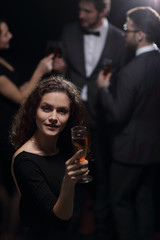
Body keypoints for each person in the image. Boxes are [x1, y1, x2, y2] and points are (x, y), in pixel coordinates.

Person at [52, 0, 132, 238]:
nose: (81, 15)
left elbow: (123, 82)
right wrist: (59, 68)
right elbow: (62, 72)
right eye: (79, 9)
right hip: (75, 117)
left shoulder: (120, 39)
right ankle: (69, 229)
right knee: (72, 175)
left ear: (103, 11)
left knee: (104, 178)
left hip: (106, 119)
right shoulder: (69, 31)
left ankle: (102, 230)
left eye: (87, 11)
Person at [96, 6, 160, 240]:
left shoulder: (131, 72)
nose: (124, 34)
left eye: (127, 29)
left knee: (120, 202)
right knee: (144, 199)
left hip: (128, 152)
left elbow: (116, 114)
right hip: (154, 150)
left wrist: (103, 90)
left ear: (140, 34)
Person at [9, 75, 90, 240]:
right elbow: (60, 221)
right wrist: (68, 181)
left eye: (62, 111)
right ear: (34, 111)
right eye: (46, 108)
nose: (54, 117)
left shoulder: (66, 147)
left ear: (70, 116)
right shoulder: (25, 160)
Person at [0, 19, 53, 238]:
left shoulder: (3, 61)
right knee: (19, 187)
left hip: (11, 129)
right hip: (4, 134)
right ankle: (11, 234)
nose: (10, 36)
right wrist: (40, 70)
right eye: (4, 34)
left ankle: (8, 230)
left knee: (10, 186)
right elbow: (22, 98)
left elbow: (16, 90)